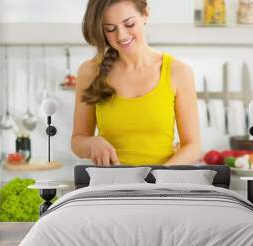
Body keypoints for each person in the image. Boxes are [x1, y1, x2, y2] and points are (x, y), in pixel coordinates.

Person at [71, 0, 201, 166]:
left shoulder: (178, 71)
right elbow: (77, 141)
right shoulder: (90, 71)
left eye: (129, 24)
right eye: (110, 29)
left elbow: (192, 146)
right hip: (109, 185)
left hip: (160, 186)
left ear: (145, 14)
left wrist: (159, 176)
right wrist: (91, 143)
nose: (122, 36)